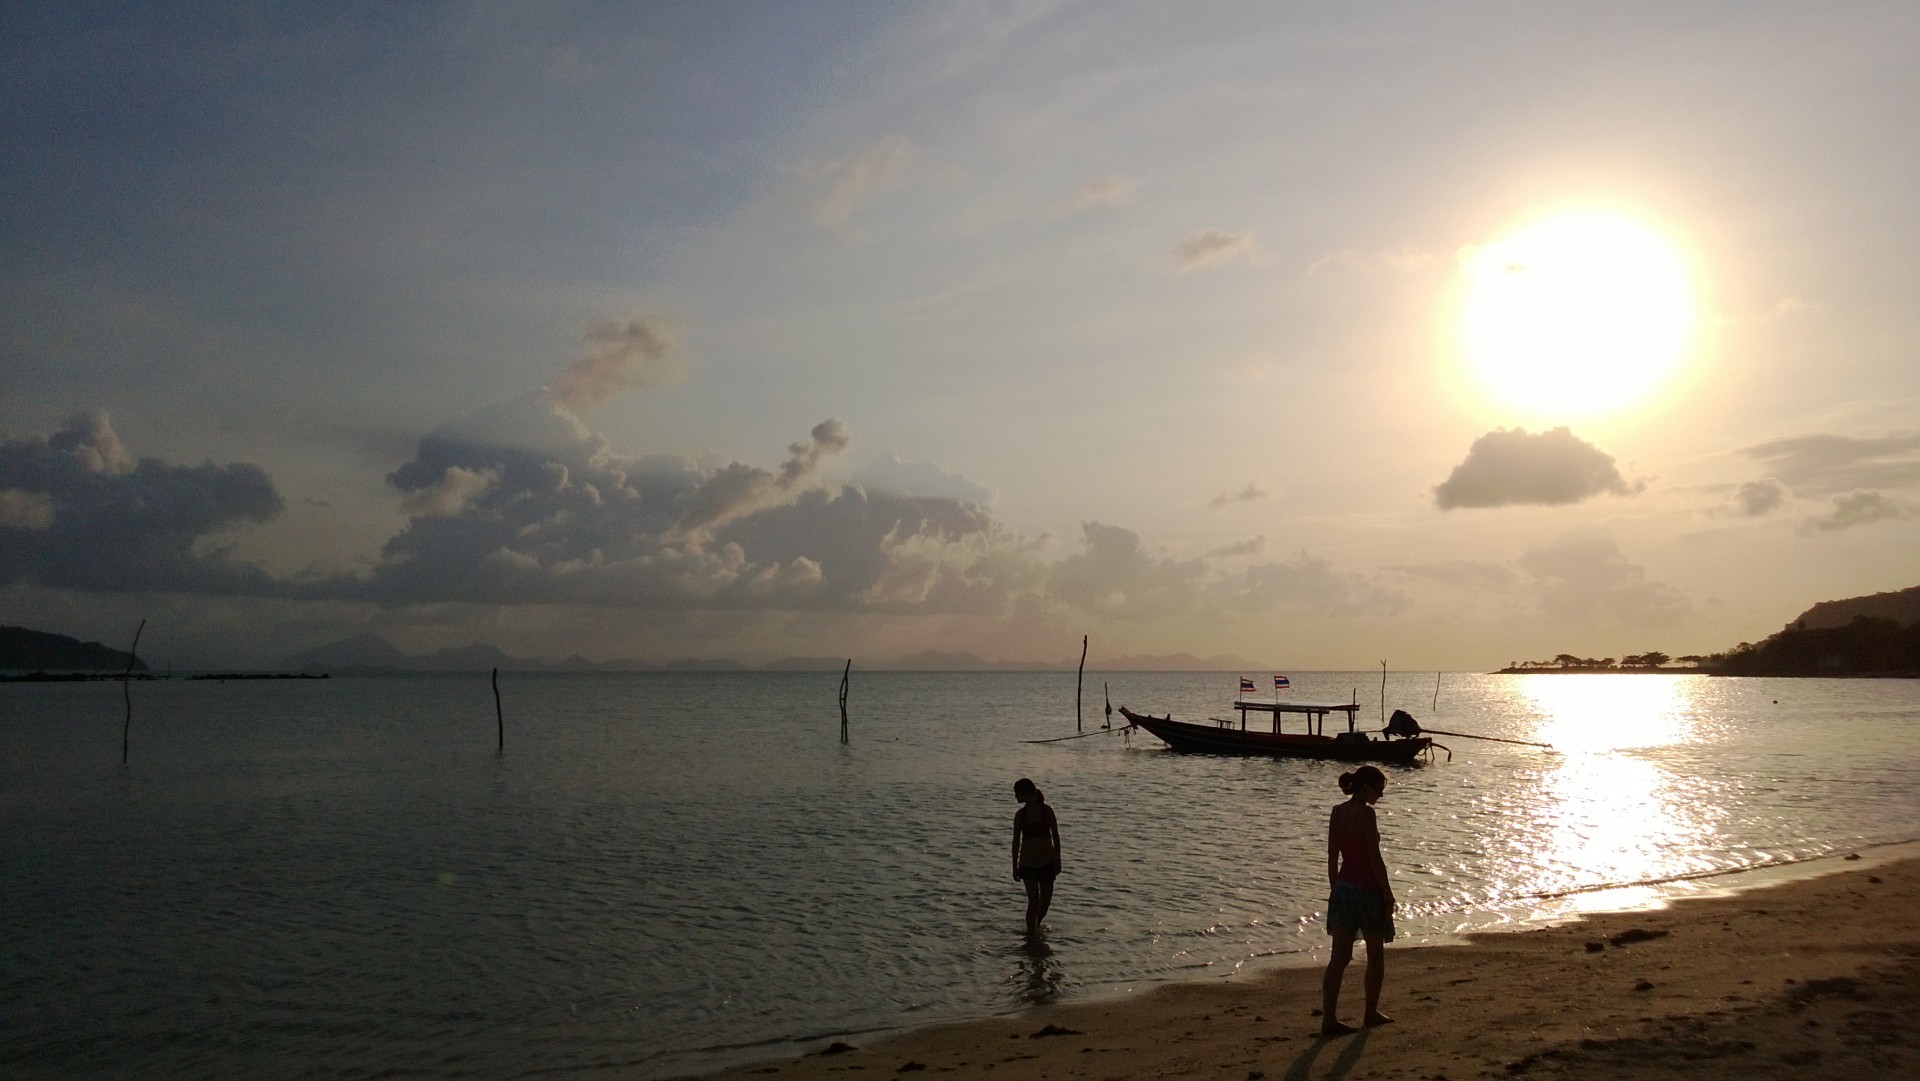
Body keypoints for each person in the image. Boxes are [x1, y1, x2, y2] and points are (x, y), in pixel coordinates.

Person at [1320, 765, 1394, 1036]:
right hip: (1368, 892)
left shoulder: (1338, 812)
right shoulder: (1366, 814)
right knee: (1376, 956)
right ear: (1366, 787)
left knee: (1338, 958)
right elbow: (1374, 858)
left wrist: (1334, 890)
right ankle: (1370, 1013)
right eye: (1379, 790)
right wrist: (1388, 894)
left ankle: (1329, 1018)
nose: (1380, 796)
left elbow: (1331, 857)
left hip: (1343, 890)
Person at [1011, 778, 1060, 935]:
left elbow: (1056, 836)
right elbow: (1016, 842)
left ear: (1025, 793)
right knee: (1034, 901)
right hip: (1028, 863)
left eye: (1016, 793)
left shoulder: (1047, 811)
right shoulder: (1020, 815)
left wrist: (1058, 860)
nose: (1015, 797)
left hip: (1047, 861)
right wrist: (1015, 866)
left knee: (1045, 902)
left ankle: (1035, 927)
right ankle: (1032, 935)